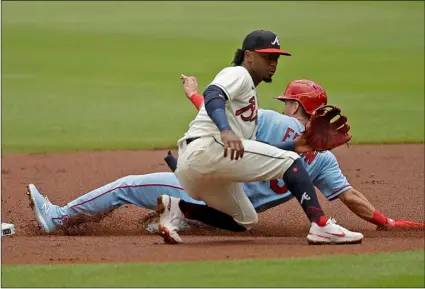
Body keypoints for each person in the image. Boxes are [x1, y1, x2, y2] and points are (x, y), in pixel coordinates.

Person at [26, 78, 423, 240]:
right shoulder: (324, 162)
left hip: (211, 190)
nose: (280, 104)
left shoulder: (267, 122)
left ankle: (58, 217)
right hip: (233, 216)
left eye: (287, 101)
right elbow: (352, 199)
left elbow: (227, 122)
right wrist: (388, 221)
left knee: (128, 185)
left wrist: (195, 96)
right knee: (210, 200)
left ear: (296, 105)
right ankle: (176, 215)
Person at [153, 29, 363, 244]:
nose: (273, 63)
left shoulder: (249, 95)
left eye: (276, 58)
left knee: (245, 219)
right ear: (249, 56)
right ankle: (320, 225)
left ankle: (177, 208)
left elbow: (253, 149)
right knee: (290, 163)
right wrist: (224, 129)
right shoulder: (238, 74)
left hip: (196, 171)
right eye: (267, 56)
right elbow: (213, 94)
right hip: (207, 149)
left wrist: (293, 145)